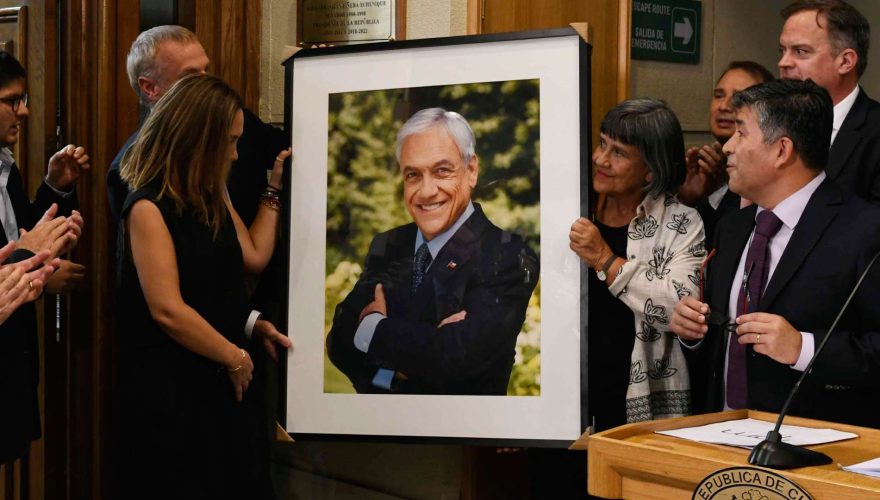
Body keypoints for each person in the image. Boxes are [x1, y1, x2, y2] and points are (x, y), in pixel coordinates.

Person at [115, 74, 290, 498]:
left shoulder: (211, 196)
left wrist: (250, 325)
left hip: (225, 381)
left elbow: (231, 272)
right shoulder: (147, 206)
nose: (234, 154)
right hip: (176, 395)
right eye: (229, 142)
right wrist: (232, 355)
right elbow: (167, 309)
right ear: (198, 139)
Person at [670, 79, 880, 428]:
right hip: (719, 437)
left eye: (741, 133)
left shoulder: (865, 231)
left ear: (782, 150)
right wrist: (692, 332)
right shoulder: (732, 227)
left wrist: (803, 348)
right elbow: (722, 342)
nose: (727, 148)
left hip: (818, 454)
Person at [325, 107, 539, 395]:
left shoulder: (508, 255)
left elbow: (456, 359)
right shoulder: (389, 244)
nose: (426, 191)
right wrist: (417, 355)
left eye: (441, 171)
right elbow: (339, 342)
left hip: (463, 436)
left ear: (471, 170)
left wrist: (372, 325)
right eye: (413, 175)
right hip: (381, 432)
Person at [0, 52, 87, 464]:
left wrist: (55, 188)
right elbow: (20, 250)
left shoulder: (6, 168)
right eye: (12, 100)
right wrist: (35, 270)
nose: (25, 111)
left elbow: (21, 235)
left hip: (11, 362)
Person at [778, 0, 880, 202]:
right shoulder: (772, 124)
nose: (783, 63)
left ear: (845, 62)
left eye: (800, 51)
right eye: (782, 50)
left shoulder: (875, 133)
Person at [678, 61, 774, 240]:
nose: (723, 106)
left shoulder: (767, 174)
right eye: (719, 95)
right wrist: (689, 199)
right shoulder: (699, 165)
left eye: (738, 98)